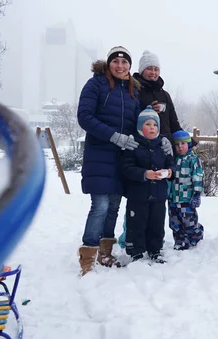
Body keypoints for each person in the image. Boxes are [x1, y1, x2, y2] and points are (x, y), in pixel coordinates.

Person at [76, 46, 140, 275]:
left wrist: (157, 137)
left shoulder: (132, 90)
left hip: (122, 157)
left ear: (130, 67)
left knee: (113, 206)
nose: (120, 66)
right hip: (99, 155)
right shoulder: (96, 85)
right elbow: (84, 116)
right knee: (100, 205)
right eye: (116, 62)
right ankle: (87, 256)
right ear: (109, 63)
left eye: (125, 63)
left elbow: (139, 123)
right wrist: (113, 136)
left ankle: (105, 252)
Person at [118, 50, 189, 248]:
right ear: (142, 70)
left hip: (163, 151)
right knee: (137, 200)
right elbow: (132, 117)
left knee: (158, 201)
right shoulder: (134, 89)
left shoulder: (164, 94)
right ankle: (129, 238)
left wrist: (184, 140)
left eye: (156, 68)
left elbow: (173, 121)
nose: (153, 72)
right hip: (141, 149)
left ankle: (153, 240)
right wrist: (147, 109)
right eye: (149, 68)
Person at [122, 106, 175, 264]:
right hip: (138, 194)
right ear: (140, 127)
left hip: (158, 194)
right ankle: (136, 251)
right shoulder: (133, 145)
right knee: (136, 223)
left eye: (155, 125)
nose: (152, 128)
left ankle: (155, 249)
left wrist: (171, 172)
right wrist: (144, 174)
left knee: (156, 223)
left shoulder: (163, 145)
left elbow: (171, 163)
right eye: (148, 124)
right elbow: (126, 168)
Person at [168, 130, 204, 250]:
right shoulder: (172, 159)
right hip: (173, 198)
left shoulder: (193, 159)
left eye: (183, 144)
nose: (180, 147)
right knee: (175, 223)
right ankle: (180, 241)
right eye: (177, 145)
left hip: (186, 198)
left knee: (188, 222)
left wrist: (197, 194)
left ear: (188, 144)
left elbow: (198, 177)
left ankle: (196, 234)